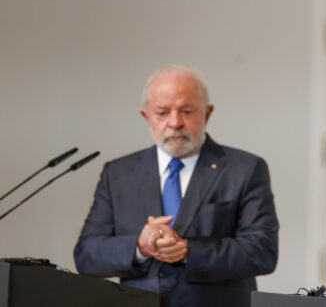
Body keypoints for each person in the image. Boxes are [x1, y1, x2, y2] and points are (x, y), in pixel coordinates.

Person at [74, 66, 279, 307]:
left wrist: (188, 251)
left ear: (207, 113)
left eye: (187, 111)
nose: (175, 123)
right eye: (162, 112)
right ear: (146, 116)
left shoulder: (244, 168)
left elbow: (262, 251)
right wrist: (139, 246)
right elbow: (87, 255)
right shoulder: (118, 173)